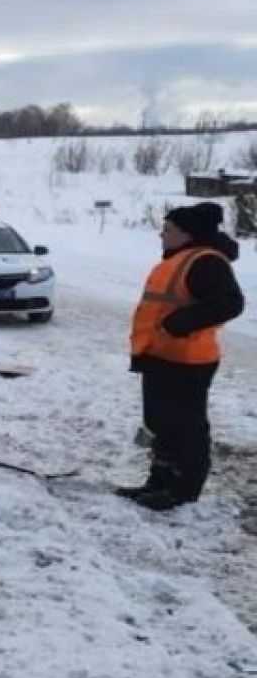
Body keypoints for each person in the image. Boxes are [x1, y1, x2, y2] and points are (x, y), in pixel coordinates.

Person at [117, 202, 245, 510]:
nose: (161, 234)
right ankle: (159, 482)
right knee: (159, 423)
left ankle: (182, 491)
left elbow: (229, 303)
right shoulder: (181, 258)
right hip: (162, 356)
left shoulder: (206, 261)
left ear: (188, 234)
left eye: (168, 229)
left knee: (185, 428)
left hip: (187, 361)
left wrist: (177, 325)